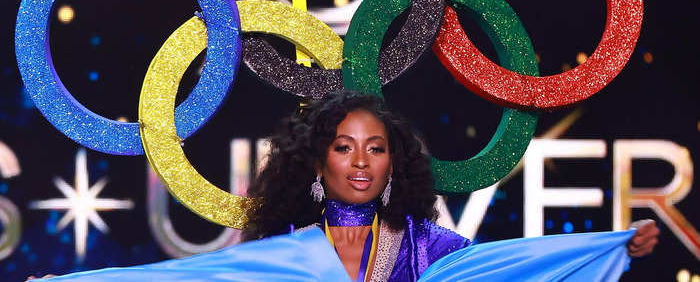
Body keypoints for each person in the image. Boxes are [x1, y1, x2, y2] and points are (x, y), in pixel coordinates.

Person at [242, 89, 659, 281]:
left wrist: (618, 245)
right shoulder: (284, 250)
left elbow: (520, 269)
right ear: (318, 163)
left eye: (376, 148)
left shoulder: (427, 247)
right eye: (342, 147)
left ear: (393, 164)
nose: (361, 162)